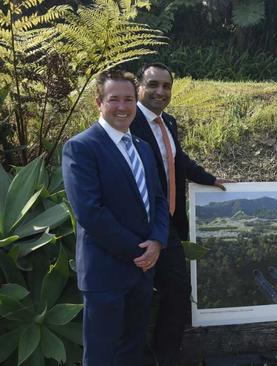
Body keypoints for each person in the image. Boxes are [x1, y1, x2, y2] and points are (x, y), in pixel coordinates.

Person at [62, 69, 169, 365]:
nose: (122, 107)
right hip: (105, 273)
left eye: (129, 99)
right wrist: (140, 251)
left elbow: (159, 200)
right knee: (101, 356)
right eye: (114, 99)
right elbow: (90, 213)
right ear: (99, 102)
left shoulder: (143, 148)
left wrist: (158, 241)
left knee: (132, 351)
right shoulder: (81, 147)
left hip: (142, 272)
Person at [130, 62, 230, 366]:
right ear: (139, 87)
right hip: (136, 227)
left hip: (169, 224)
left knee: (177, 290)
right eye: (153, 85)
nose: (160, 91)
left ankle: (165, 357)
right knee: (137, 296)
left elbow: (177, 160)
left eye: (166, 86)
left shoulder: (168, 123)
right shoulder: (128, 121)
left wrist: (210, 179)